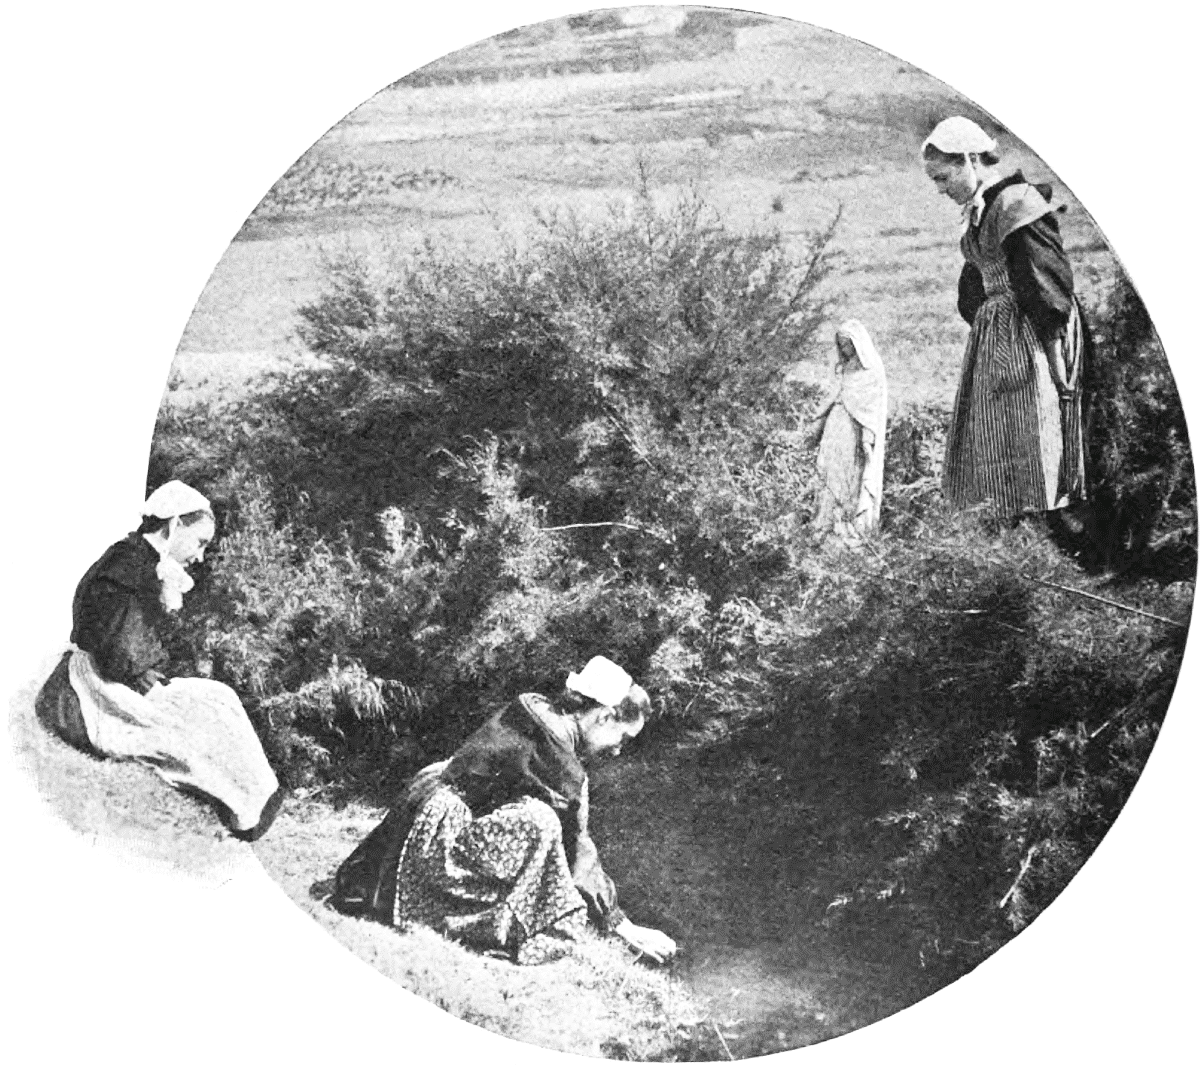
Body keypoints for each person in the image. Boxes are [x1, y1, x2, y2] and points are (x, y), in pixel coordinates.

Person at [333, 656, 678, 966]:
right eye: (623, 738)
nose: (618, 751)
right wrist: (620, 923)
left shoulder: (532, 708)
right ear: (604, 716)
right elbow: (577, 847)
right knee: (541, 822)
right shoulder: (559, 759)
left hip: (421, 808)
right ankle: (443, 907)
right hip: (435, 843)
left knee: (536, 821)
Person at [35, 480, 284, 841]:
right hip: (92, 689)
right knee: (185, 732)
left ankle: (256, 798)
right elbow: (111, 643)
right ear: (175, 524)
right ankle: (245, 808)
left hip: (119, 674)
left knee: (218, 699)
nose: (199, 557)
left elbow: (133, 641)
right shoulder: (125, 565)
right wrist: (144, 673)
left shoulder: (145, 562)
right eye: (199, 542)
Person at [921, 116, 1087, 521]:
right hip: (999, 336)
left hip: (1034, 336)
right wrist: (988, 327)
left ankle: (1048, 529)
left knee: (1038, 430)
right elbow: (974, 289)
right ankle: (1012, 530)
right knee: (997, 439)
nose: (940, 189)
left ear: (970, 159)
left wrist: (1057, 363)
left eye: (943, 178)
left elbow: (1043, 284)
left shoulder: (1016, 204)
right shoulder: (983, 213)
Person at [812, 319, 887, 539]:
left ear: (856, 343)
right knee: (829, 468)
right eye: (841, 345)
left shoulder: (871, 370)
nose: (844, 349)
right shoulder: (844, 368)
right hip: (836, 424)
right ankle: (826, 520)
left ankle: (846, 523)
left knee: (849, 472)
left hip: (853, 429)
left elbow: (871, 406)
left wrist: (867, 436)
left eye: (847, 344)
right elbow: (835, 395)